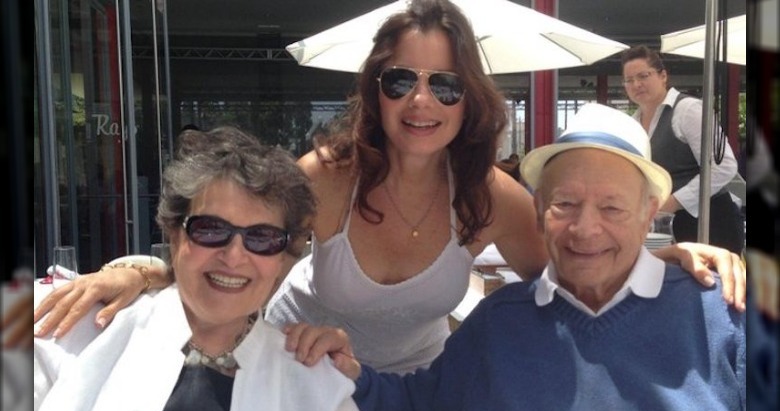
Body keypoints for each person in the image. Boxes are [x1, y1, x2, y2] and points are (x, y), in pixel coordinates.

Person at [34, 0, 745, 375]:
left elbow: (583, 271)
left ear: (470, 97)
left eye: (444, 84)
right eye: (401, 79)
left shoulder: (489, 197)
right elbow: (236, 248)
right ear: (375, 90)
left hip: (418, 394)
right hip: (296, 370)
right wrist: (140, 269)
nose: (421, 101)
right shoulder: (328, 181)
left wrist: (669, 264)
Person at [288, 103, 746, 411]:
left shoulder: (724, 316)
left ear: (650, 214)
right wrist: (349, 370)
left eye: (612, 207)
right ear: (539, 207)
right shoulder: (500, 323)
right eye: (565, 203)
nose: (585, 229)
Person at [33, 126, 373, 411]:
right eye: (211, 229)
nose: (234, 255)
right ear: (175, 234)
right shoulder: (77, 331)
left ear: (284, 257)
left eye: (263, 238)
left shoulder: (314, 384)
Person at [621, 45, 744, 254]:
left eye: (643, 76)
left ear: (663, 76)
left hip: (710, 224)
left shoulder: (687, 110)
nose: (636, 84)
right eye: (629, 80)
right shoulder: (632, 124)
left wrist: (673, 202)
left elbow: (723, 166)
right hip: (663, 230)